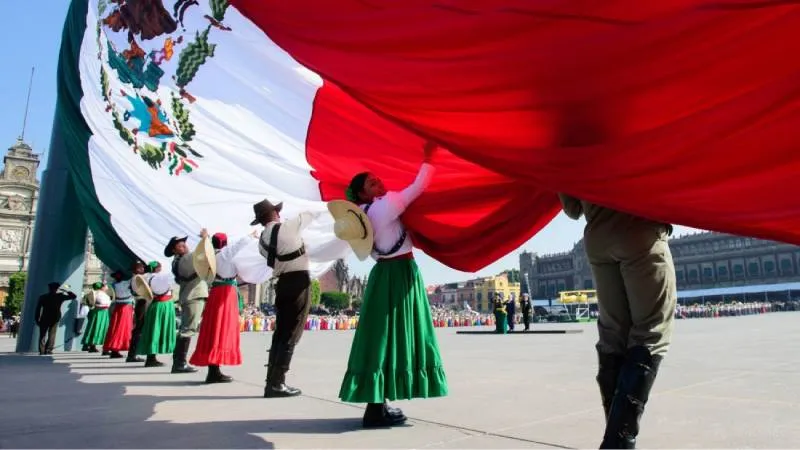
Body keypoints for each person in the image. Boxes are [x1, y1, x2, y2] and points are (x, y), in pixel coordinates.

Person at [336, 141, 448, 428]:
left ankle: (377, 405)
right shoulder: (383, 207)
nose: (379, 182)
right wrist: (429, 158)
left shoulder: (361, 218)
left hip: (382, 275)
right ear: (363, 192)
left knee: (380, 338)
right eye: (372, 182)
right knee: (396, 336)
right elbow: (418, 186)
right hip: (400, 274)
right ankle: (376, 409)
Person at [558, 193, 677, 449]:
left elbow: (572, 209)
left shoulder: (569, 149)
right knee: (650, 334)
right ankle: (618, 443)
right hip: (639, 231)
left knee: (613, 338)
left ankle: (616, 439)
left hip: (598, 240)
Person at [251, 198, 322, 397]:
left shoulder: (262, 241)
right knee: (292, 331)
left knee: (281, 331)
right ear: (275, 213)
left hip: (281, 282)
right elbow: (313, 212)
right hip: (298, 281)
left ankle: (271, 381)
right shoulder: (289, 227)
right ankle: (277, 383)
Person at [189, 231, 255, 383]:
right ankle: (214, 371)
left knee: (214, 329)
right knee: (222, 329)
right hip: (225, 292)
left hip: (216, 291)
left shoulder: (212, 257)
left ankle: (214, 369)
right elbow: (241, 243)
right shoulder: (224, 255)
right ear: (225, 243)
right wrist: (251, 235)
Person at [165, 232, 209, 374]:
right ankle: (179, 363)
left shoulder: (180, 260)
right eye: (180, 245)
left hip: (192, 296)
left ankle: (178, 361)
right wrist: (205, 239)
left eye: (184, 243)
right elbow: (201, 254)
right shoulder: (184, 260)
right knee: (188, 330)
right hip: (193, 296)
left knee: (186, 329)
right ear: (174, 250)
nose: (184, 245)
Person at [137, 261, 177, 367]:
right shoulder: (160, 278)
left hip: (155, 305)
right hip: (163, 305)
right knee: (158, 330)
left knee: (154, 330)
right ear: (158, 268)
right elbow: (173, 281)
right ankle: (151, 358)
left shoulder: (147, 278)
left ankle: (151, 357)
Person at [34, 282, 77, 355]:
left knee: (42, 334)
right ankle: (48, 349)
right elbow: (73, 296)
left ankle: (41, 350)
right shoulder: (60, 296)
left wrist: (37, 318)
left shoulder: (43, 297)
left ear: (49, 288)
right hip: (55, 318)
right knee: (52, 334)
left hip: (45, 317)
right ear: (57, 289)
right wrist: (66, 290)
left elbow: (38, 309)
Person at [103, 270, 136, 359]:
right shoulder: (126, 283)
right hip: (125, 307)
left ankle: (113, 348)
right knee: (122, 328)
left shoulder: (113, 285)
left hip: (118, 306)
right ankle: (115, 348)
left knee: (115, 327)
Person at [126, 261, 148, 363]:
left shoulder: (134, 279)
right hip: (142, 302)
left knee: (138, 329)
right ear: (137, 269)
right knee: (138, 329)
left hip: (140, 303)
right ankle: (132, 354)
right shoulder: (137, 279)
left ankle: (132, 354)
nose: (143, 269)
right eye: (141, 268)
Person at [81, 282, 112, 353]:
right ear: (101, 287)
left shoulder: (97, 293)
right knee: (96, 328)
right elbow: (102, 302)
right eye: (104, 286)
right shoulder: (96, 293)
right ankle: (91, 345)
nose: (106, 287)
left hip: (102, 312)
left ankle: (89, 344)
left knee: (94, 328)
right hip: (99, 312)